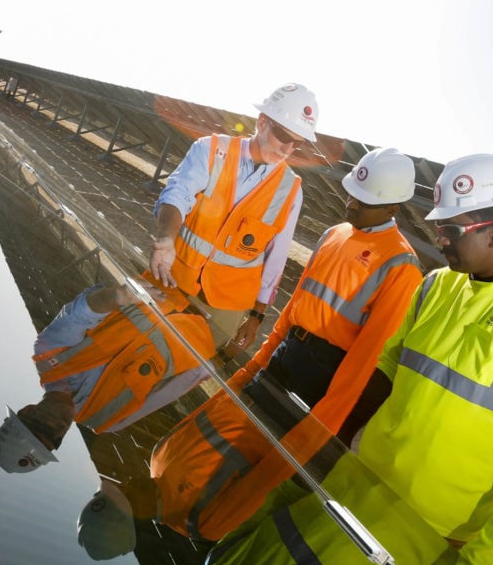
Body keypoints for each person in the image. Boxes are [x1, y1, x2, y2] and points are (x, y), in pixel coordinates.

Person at [203, 153, 493, 565]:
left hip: (425, 533)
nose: (438, 239)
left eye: (450, 231)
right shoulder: (437, 287)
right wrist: (322, 453)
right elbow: (385, 375)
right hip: (355, 487)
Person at [151, 147, 424, 542]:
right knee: (229, 431)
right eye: (351, 193)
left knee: (255, 461)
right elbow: (295, 306)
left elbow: (365, 360)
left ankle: (203, 526)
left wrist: (321, 428)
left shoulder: (402, 266)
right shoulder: (334, 234)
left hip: (321, 379)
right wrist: (259, 360)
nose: (351, 203)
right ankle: (176, 503)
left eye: (364, 202)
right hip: (286, 355)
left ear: (392, 209)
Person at [149, 83, 318, 352]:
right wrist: (166, 240)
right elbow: (177, 194)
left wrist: (256, 316)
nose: (287, 149)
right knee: (140, 351)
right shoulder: (210, 150)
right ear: (262, 122)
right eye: (283, 135)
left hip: (226, 306)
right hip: (173, 277)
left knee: (186, 367)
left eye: (297, 143)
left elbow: (275, 258)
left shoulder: (291, 190)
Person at [0, 272, 215, 474]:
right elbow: (171, 389)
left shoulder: (48, 355)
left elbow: (82, 311)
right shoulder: (108, 420)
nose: (57, 430)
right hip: (209, 330)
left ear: (28, 411)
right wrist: (223, 356)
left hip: (174, 280)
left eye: (42, 428)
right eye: (55, 440)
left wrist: (121, 296)